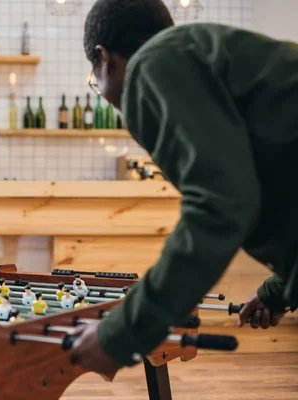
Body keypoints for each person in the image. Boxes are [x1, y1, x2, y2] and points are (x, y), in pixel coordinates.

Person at [71, 0, 297, 377]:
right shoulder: (199, 53)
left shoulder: (153, 63)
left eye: (95, 81)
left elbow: (221, 205)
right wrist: (278, 290)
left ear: (104, 58)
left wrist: (121, 334)